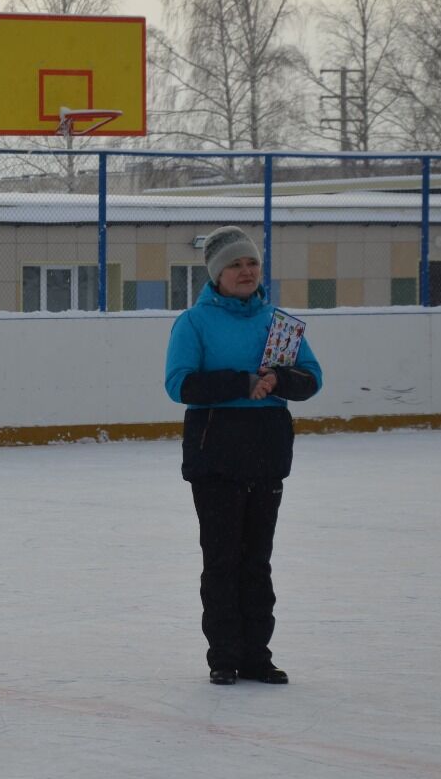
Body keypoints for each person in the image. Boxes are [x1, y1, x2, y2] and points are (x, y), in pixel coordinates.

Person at [164, 226, 322, 687]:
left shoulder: (279, 322)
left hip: (266, 452)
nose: (246, 271)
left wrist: (281, 382)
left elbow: (311, 378)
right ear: (216, 273)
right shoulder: (193, 323)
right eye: (235, 264)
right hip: (215, 456)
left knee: (257, 561)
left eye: (251, 263)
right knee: (222, 560)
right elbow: (180, 384)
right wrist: (242, 381)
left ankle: (257, 655)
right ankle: (224, 656)